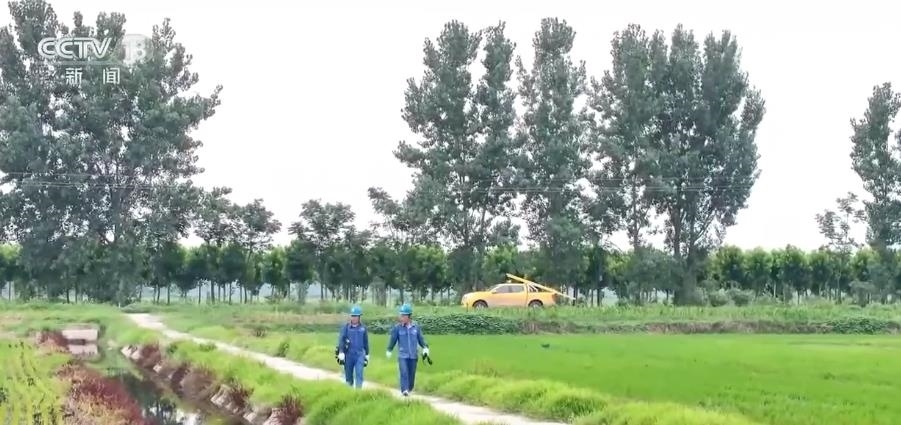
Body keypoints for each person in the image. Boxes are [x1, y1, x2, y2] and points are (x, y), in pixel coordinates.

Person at [385, 303, 428, 396]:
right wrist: (389, 350)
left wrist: (425, 348)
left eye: (404, 315)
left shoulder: (416, 327)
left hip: (413, 355)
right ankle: (404, 390)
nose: (402, 317)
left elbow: (421, 339)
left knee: (411, 375)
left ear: (409, 316)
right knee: (404, 372)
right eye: (401, 315)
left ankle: (409, 388)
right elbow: (393, 339)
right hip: (402, 355)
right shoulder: (398, 328)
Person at [336, 305, 369, 389]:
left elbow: (366, 341)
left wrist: (367, 354)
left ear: (359, 317)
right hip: (348, 355)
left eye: (356, 316)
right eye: (353, 316)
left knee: (359, 374)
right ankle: (349, 392)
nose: (354, 318)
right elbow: (341, 340)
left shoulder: (363, 328)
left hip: (359, 355)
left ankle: (358, 392)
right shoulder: (346, 327)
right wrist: (341, 352)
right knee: (348, 376)